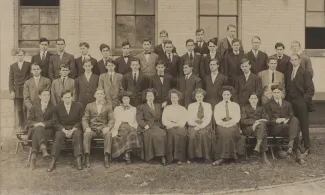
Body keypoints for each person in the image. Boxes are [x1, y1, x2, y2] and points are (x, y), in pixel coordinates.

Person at [265, 85, 305, 165]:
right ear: (272, 93)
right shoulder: (268, 105)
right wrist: (276, 120)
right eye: (274, 92)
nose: (276, 94)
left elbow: (291, 116)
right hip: (275, 128)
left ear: (282, 93)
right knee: (295, 129)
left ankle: (291, 144)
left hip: (287, 127)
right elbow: (267, 119)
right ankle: (297, 153)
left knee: (295, 119)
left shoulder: (287, 104)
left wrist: (285, 119)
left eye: (278, 92)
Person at [48, 90, 84, 172]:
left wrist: (73, 129)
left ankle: (78, 159)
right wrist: (63, 130)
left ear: (72, 97)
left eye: (69, 97)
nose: (67, 99)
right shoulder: (57, 107)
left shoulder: (79, 106)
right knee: (58, 136)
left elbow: (82, 120)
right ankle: (53, 160)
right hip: (62, 128)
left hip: (75, 127)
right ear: (62, 99)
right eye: (65, 98)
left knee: (77, 135)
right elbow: (55, 121)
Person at [286, 54, 315, 156]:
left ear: (299, 60)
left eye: (295, 59)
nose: (294, 61)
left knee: (303, 125)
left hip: (301, 102)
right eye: (292, 60)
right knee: (294, 123)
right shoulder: (289, 71)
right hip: (291, 102)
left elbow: (310, 89)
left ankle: (307, 147)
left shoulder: (305, 72)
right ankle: (295, 146)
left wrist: (304, 100)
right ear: (290, 61)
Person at [212, 86, 246, 166]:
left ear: (231, 95)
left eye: (228, 94)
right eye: (224, 94)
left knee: (230, 133)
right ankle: (228, 157)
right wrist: (223, 124)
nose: (226, 96)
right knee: (223, 133)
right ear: (222, 95)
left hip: (233, 124)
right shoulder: (218, 106)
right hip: (221, 124)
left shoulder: (235, 105)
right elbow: (217, 119)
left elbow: (237, 118)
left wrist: (230, 123)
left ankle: (223, 158)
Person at [82, 89, 115, 168]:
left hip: (103, 129)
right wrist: (87, 127)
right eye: (98, 94)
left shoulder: (108, 106)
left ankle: (106, 156)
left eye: (101, 94)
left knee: (109, 134)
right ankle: (87, 156)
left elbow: (112, 119)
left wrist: (108, 127)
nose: (99, 95)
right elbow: (85, 118)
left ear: (104, 96)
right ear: (95, 95)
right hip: (92, 129)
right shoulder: (89, 105)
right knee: (86, 134)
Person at [26, 89, 55, 170]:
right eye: (44, 95)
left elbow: (54, 121)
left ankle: (33, 157)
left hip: (47, 131)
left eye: (48, 95)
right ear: (40, 96)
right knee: (38, 129)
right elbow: (29, 121)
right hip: (36, 130)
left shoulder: (53, 107)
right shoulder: (34, 107)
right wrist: (36, 124)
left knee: (37, 131)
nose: (47, 97)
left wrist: (43, 124)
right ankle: (43, 149)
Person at [136, 89, 167, 165]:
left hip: (158, 125)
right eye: (148, 96)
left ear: (154, 97)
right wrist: (144, 125)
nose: (150, 97)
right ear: (146, 97)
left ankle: (162, 155)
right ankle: (153, 155)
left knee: (163, 133)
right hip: (147, 126)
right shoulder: (142, 106)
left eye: (151, 96)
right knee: (153, 135)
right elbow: (139, 119)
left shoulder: (158, 106)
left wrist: (166, 102)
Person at [111, 91, 141, 163]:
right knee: (122, 134)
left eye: (127, 98)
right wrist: (115, 128)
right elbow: (115, 119)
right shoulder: (117, 108)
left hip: (131, 125)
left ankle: (127, 154)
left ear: (130, 99)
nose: (126, 100)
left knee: (132, 133)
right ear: (122, 99)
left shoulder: (134, 109)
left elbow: (135, 120)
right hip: (121, 125)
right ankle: (127, 154)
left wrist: (135, 126)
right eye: (124, 98)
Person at [241, 92, 270, 164]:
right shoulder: (244, 108)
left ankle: (258, 146)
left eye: (255, 98)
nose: (253, 100)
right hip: (249, 129)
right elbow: (243, 121)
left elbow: (267, 119)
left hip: (259, 129)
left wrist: (258, 123)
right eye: (252, 98)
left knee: (262, 127)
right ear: (249, 100)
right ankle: (263, 156)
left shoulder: (262, 108)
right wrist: (255, 122)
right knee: (263, 130)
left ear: (257, 100)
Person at [187, 88, 214, 163]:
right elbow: (189, 118)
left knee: (203, 134)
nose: (199, 98)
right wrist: (196, 125)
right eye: (197, 96)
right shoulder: (191, 106)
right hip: (194, 125)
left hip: (204, 125)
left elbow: (208, 118)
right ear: (195, 97)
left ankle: (205, 156)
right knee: (192, 135)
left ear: (203, 97)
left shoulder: (208, 105)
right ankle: (193, 156)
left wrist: (201, 126)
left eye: (201, 96)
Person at [162, 89, 188, 165]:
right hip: (170, 126)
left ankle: (179, 158)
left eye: (175, 97)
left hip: (180, 126)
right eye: (172, 97)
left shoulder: (182, 108)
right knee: (171, 134)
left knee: (180, 134)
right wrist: (170, 125)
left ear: (178, 98)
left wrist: (177, 125)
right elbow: (164, 120)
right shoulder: (167, 108)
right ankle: (170, 158)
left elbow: (184, 120)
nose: (173, 99)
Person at [9, 49, 31, 131]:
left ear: (24, 55)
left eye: (21, 55)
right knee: (19, 109)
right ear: (16, 56)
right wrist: (11, 91)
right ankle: (21, 125)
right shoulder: (13, 66)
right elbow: (11, 79)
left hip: (25, 90)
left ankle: (27, 125)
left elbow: (30, 77)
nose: (20, 56)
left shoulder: (28, 65)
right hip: (17, 91)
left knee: (25, 108)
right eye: (18, 55)